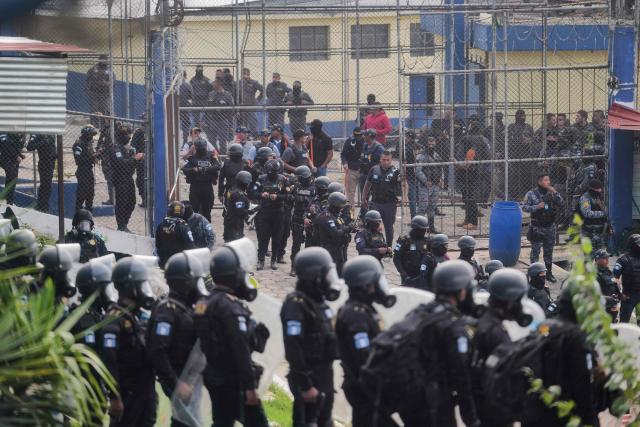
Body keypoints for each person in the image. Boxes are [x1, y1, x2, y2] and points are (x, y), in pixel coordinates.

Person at [195, 239, 270, 427]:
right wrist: (250, 388)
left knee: (221, 421)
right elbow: (240, 350)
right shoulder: (231, 308)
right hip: (233, 380)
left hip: (213, 376)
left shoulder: (203, 303)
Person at [399, 260, 481, 427]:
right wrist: (471, 419)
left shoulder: (420, 311)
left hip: (410, 400)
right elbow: (462, 379)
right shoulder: (453, 326)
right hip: (436, 404)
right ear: (461, 291)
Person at [520, 284, 601, 426]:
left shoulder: (543, 326)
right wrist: (591, 421)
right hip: (563, 415)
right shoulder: (578, 338)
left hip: (535, 411)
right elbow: (583, 389)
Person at [281, 247, 342, 427]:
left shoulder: (317, 301)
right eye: (326, 274)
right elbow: (293, 346)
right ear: (315, 276)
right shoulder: (296, 304)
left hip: (324, 375)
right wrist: (306, 385)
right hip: (308, 379)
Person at [149, 251, 208, 427]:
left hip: (190, 380)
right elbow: (157, 352)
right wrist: (176, 384)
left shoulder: (186, 308)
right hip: (179, 382)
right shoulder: (167, 311)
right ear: (185, 282)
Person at [336, 255, 397, 427]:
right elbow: (364, 358)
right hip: (364, 389)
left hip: (367, 388)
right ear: (367, 285)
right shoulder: (355, 315)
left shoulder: (363, 308)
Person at [102, 257, 157, 427]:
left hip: (144, 390)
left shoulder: (135, 316)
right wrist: (115, 397)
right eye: (141, 285)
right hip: (127, 392)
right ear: (131, 287)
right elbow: (109, 359)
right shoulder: (114, 319)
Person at [472, 268, 530, 426]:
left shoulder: (483, 319)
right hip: (493, 407)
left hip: (480, 401)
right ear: (510, 300)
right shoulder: (495, 333)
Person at [522, 174, 563, 282]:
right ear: (540, 182)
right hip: (537, 227)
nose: (548, 182)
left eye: (549, 180)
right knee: (535, 252)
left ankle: (548, 273)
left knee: (549, 252)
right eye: (545, 180)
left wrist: (555, 192)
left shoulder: (552, 193)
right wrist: (537, 207)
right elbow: (524, 207)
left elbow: (561, 203)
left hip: (550, 227)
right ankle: (534, 274)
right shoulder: (531, 194)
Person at [256, 159, 291, 270]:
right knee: (263, 237)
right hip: (265, 212)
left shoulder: (283, 179)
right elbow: (253, 192)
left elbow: (289, 196)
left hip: (278, 212)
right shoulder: (261, 179)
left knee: (277, 237)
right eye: (271, 172)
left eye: (275, 172)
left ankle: (274, 259)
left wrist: (278, 197)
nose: (273, 174)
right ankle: (261, 260)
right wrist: (262, 194)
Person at [456, 121, 491, 231]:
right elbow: (488, 155)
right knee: (468, 196)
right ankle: (468, 219)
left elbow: (460, 154)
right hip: (475, 170)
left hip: (468, 169)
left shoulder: (468, 139)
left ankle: (473, 222)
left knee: (469, 197)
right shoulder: (484, 139)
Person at [361, 150, 401, 245]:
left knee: (389, 226)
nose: (386, 162)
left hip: (389, 203)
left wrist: (405, 198)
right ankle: (372, 245)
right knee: (372, 224)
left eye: (388, 160)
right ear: (380, 159)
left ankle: (389, 246)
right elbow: (367, 184)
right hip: (375, 202)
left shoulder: (395, 171)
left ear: (391, 160)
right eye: (384, 159)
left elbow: (404, 184)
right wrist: (363, 198)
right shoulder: (374, 169)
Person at [111, 124, 141, 232]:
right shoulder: (116, 148)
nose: (129, 138)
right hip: (120, 179)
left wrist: (134, 157)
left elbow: (130, 163)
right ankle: (121, 226)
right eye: (128, 135)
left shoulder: (126, 148)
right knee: (122, 202)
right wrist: (134, 158)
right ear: (122, 135)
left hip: (128, 178)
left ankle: (124, 224)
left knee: (131, 202)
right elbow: (121, 163)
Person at [182, 138, 220, 222]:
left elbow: (218, 166)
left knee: (207, 212)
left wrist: (206, 169)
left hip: (207, 187)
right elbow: (185, 169)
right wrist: (194, 170)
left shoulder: (210, 156)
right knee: (194, 212)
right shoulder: (192, 158)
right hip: (195, 187)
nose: (202, 149)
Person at [314, 192, 350, 274]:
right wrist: (347, 229)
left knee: (341, 273)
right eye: (340, 207)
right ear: (334, 205)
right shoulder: (326, 217)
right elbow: (335, 233)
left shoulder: (335, 215)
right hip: (329, 249)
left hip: (339, 248)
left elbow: (340, 227)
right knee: (330, 273)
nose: (341, 209)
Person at [289, 166, 315, 275]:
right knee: (296, 245)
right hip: (297, 219)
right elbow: (289, 199)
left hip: (309, 220)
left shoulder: (314, 188)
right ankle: (294, 266)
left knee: (309, 246)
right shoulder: (296, 187)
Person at [155, 201, 196, 268]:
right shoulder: (184, 227)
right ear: (182, 212)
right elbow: (191, 246)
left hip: (164, 263)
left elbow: (157, 245)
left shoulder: (160, 226)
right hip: (180, 264)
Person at [394, 215, 430, 288]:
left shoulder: (427, 241)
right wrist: (403, 273)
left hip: (422, 275)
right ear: (415, 228)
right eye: (421, 230)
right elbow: (396, 258)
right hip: (408, 275)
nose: (424, 232)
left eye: (425, 229)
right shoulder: (404, 240)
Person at [415, 134, 442, 232]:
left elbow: (440, 167)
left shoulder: (436, 155)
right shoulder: (420, 156)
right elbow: (417, 171)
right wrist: (425, 181)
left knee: (432, 207)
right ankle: (418, 228)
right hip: (425, 186)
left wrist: (441, 179)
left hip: (435, 185)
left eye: (433, 143)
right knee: (422, 207)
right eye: (429, 143)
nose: (431, 145)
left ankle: (431, 227)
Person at [507, 109, 535, 200]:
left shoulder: (528, 127)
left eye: (524, 116)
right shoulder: (511, 127)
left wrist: (528, 141)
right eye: (520, 116)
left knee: (525, 176)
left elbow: (534, 139)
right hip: (513, 155)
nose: (522, 118)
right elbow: (506, 140)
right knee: (513, 176)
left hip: (526, 155)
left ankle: (524, 196)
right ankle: (514, 196)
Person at [613, 234, 640, 323]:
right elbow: (615, 278)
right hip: (628, 296)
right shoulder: (623, 259)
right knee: (624, 322)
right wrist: (620, 294)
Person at [26, 134, 56, 212]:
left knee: (47, 185)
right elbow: (29, 147)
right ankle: (41, 206)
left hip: (51, 163)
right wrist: (42, 142)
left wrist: (56, 155)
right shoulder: (37, 134)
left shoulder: (51, 134)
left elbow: (53, 148)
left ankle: (44, 206)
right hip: (43, 163)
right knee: (45, 184)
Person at [205, 78, 235, 154]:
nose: (213, 84)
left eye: (215, 83)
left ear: (219, 84)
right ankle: (216, 155)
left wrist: (231, 124)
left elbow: (231, 111)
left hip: (223, 121)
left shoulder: (228, 95)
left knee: (223, 141)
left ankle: (223, 157)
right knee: (211, 140)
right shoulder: (211, 94)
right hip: (213, 121)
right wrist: (206, 121)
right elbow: (207, 109)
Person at [72, 125, 98, 212]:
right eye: (90, 135)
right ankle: (78, 214)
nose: (92, 137)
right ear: (86, 134)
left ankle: (88, 214)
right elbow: (78, 160)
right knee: (82, 194)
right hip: (82, 171)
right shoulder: (79, 144)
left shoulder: (89, 144)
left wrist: (97, 155)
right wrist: (91, 158)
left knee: (90, 194)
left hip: (89, 171)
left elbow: (92, 156)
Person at [578, 179, 609, 251]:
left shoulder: (598, 197)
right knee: (588, 257)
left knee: (600, 257)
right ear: (593, 189)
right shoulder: (585, 198)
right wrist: (603, 213)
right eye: (599, 188)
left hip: (599, 232)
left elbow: (605, 210)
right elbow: (587, 213)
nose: (601, 190)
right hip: (588, 231)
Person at [223, 170, 252, 242]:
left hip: (230, 220)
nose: (248, 185)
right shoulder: (239, 194)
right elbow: (240, 211)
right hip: (235, 224)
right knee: (235, 244)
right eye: (247, 183)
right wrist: (252, 211)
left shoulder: (232, 189)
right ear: (244, 183)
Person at [86, 55, 114, 127]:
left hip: (105, 94)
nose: (106, 61)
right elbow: (88, 81)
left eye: (107, 60)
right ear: (100, 60)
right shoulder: (93, 70)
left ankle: (104, 126)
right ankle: (94, 126)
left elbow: (113, 83)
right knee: (94, 110)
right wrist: (88, 90)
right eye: (104, 60)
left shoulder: (110, 71)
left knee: (105, 110)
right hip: (94, 93)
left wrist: (105, 83)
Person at [593, 248, 621, 322]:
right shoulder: (594, 274)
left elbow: (615, 283)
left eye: (607, 257)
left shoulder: (608, 271)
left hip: (612, 308)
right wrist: (610, 299)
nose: (607, 260)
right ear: (597, 259)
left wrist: (620, 295)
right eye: (604, 258)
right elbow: (593, 295)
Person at [304, 176, 331, 246]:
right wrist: (305, 218)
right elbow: (306, 210)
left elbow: (326, 218)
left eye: (317, 187)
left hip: (323, 234)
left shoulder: (330, 201)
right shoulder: (315, 198)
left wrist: (315, 214)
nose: (315, 189)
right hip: (311, 232)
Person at [235, 68, 264, 134]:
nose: (244, 75)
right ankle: (244, 136)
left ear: (249, 74)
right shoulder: (238, 83)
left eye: (245, 74)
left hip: (251, 106)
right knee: (243, 125)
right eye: (243, 74)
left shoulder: (253, 82)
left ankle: (255, 136)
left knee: (253, 123)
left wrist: (257, 100)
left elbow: (262, 90)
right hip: (241, 107)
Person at [341, 127, 364, 206]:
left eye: (360, 135)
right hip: (351, 169)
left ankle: (365, 211)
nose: (358, 137)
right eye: (356, 135)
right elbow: (343, 154)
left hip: (363, 170)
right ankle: (351, 211)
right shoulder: (349, 141)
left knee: (365, 191)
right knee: (350, 191)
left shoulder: (365, 142)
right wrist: (345, 163)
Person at [0, 133, 25, 205]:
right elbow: (5, 145)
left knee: (12, 179)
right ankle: (8, 200)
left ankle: (9, 200)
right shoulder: (4, 132)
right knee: (11, 178)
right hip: (6, 159)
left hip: (14, 161)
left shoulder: (15, 133)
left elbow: (18, 145)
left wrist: (20, 155)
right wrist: (16, 156)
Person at [358, 129, 384, 195]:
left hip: (374, 175)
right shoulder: (365, 146)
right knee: (364, 195)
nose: (363, 136)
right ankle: (364, 205)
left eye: (365, 135)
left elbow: (383, 163)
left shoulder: (379, 148)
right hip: (364, 174)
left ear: (369, 136)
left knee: (376, 195)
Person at [131, 117, 147, 207]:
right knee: (142, 180)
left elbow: (133, 146)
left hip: (143, 160)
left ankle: (145, 200)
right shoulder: (140, 132)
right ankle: (146, 200)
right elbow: (133, 146)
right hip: (143, 160)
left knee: (141, 180)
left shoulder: (139, 131)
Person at [178, 71, 194, 144]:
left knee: (178, 124)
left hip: (177, 108)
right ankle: (185, 141)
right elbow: (191, 97)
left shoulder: (175, 85)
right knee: (186, 125)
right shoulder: (188, 85)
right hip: (184, 108)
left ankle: (179, 141)